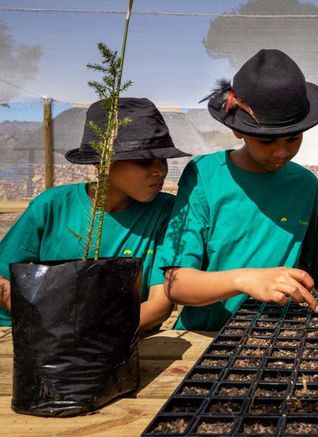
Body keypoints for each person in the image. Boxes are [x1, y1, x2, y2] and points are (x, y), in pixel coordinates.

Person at [157, 49, 318, 331]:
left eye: (293, 138)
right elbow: (176, 284)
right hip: (206, 335)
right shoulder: (205, 176)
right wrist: (244, 279)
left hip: (276, 336)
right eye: (267, 140)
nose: (282, 151)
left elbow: (309, 268)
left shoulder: (308, 186)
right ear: (239, 131)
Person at [0, 97, 189, 331]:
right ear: (101, 163)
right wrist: (47, 322)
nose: (160, 171)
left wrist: (91, 333)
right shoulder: (52, 206)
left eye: (163, 159)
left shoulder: (167, 213)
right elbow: (3, 274)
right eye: (144, 160)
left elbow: (159, 305)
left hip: (125, 343)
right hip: (39, 339)